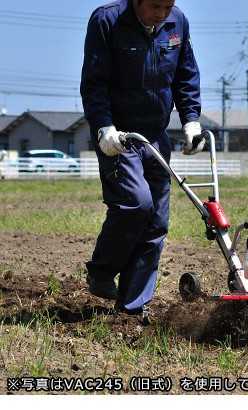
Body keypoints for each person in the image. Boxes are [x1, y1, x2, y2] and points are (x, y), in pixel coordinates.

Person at [80, 0, 204, 319]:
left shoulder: (177, 22)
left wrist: (191, 120)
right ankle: (102, 271)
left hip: (157, 137)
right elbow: (94, 82)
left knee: (156, 223)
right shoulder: (108, 21)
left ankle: (131, 309)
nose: (162, 13)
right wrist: (104, 127)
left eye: (168, 5)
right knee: (136, 203)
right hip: (120, 137)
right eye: (154, 6)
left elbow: (185, 75)